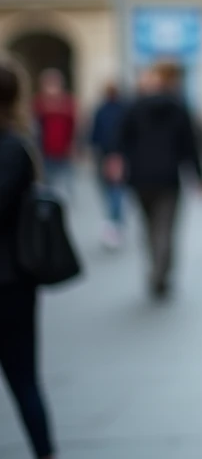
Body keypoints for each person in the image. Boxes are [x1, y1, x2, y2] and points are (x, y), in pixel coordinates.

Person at [0, 55, 57, 459]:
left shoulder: (15, 149)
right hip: (15, 280)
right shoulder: (20, 148)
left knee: (24, 380)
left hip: (10, 281)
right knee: (24, 379)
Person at [117, 61, 202, 300]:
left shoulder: (135, 106)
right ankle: (161, 272)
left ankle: (155, 268)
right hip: (168, 176)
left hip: (140, 176)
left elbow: (122, 139)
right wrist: (200, 176)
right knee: (165, 228)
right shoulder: (178, 107)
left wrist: (118, 161)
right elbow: (191, 145)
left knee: (148, 227)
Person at [89, 82, 128, 249]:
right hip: (117, 155)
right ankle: (115, 222)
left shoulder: (103, 109)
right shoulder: (124, 109)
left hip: (108, 155)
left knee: (112, 190)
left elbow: (94, 134)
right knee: (115, 190)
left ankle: (113, 222)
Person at [31, 68, 74, 199]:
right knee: (47, 185)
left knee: (63, 186)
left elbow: (73, 125)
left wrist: (73, 145)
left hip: (63, 150)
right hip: (44, 150)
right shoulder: (38, 102)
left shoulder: (67, 102)